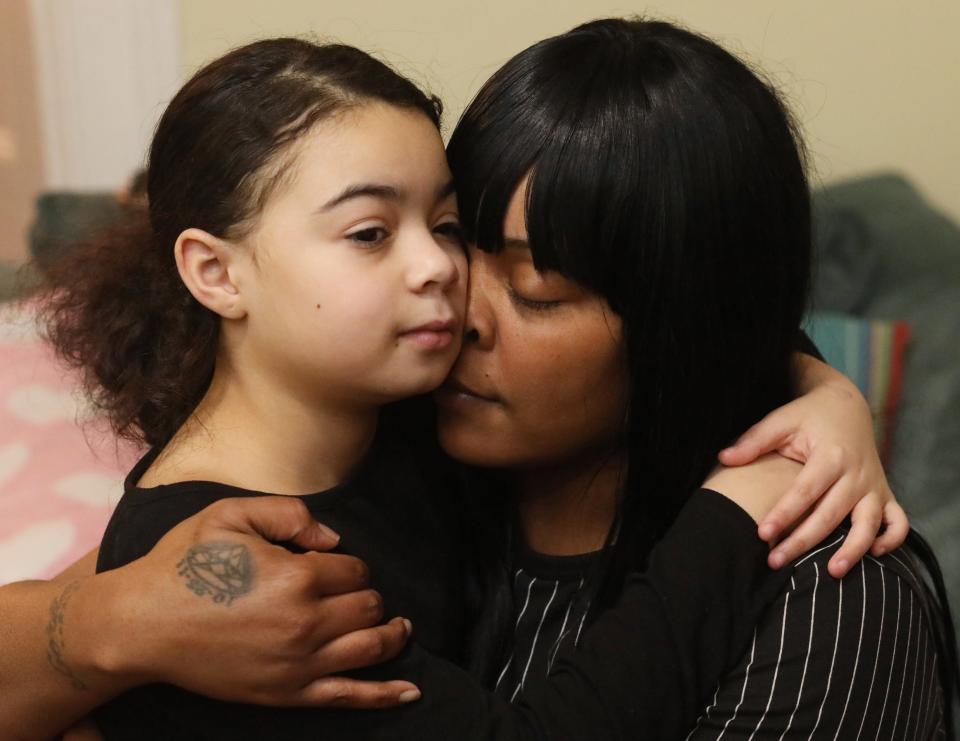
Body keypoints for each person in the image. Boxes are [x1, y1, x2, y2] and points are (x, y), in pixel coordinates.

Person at [0, 24, 949, 740]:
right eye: (381, 235)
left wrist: (820, 390)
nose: (451, 293)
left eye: (529, 285)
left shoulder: (835, 604)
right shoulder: (275, 545)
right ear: (215, 271)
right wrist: (735, 510)